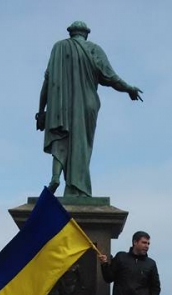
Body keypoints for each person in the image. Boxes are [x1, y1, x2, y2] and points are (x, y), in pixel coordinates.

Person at [36, 21, 142, 197]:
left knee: (61, 137)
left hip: (60, 104)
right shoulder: (93, 49)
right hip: (87, 104)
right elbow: (110, 77)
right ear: (86, 34)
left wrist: (41, 111)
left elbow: (47, 82)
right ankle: (80, 189)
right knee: (82, 145)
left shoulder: (58, 48)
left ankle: (55, 176)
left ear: (71, 33)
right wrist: (129, 88)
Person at [99, 231, 161, 295]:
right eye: (144, 243)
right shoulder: (121, 257)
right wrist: (104, 264)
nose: (147, 246)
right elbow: (108, 278)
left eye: (148, 244)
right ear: (135, 242)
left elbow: (156, 287)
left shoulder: (151, 263)